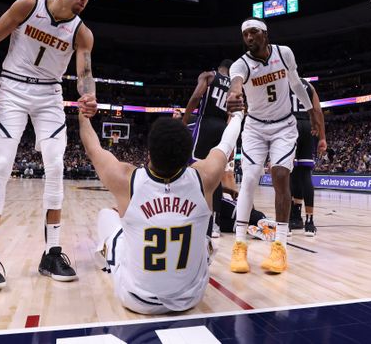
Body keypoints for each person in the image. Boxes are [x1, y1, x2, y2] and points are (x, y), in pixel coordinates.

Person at [0, 0, 98, 291]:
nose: (84, 0)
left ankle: (52, 252)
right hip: (12, 88)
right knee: (1, 166)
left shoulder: (82, 33)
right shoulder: (29, 6)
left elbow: (84, 73)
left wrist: (89, 95)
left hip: (50, 95)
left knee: (55, 167)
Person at [80, 112, 243, 314]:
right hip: (191, 297)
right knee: (205, 239)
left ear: (149, 152)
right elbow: (226, 144)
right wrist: (237, 115)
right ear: (188, 155)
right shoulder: (205, 177)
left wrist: (83, 115)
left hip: (137, 299)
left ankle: (108, 255)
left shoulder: (126, 179)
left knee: (108, 215)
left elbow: (92, 148)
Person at [226, 18, 319, 274]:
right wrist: (234, 93)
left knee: (280, 175)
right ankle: (239, 245)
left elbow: (296, 84)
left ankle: (280, 246)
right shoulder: (241, 64)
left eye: (253, 32)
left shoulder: (284, 53)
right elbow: (235, 81)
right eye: (245, 34)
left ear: (265, 34)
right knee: (249, 179)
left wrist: (311, 111)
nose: (249, 38)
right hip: (255, 127)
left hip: (283, 126)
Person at [181, 59, 233, 238]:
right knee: (216, 175)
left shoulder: (209, 75)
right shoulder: (234, 86)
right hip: (223, 128)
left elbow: (196, 97)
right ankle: (215, 224)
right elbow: (232, 115)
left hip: (205, 124)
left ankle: (197, 217)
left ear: (219, 68)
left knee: (196, 168)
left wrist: (184, 120)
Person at [289, 80, 327, 237]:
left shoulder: (283, 82)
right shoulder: (309, 86)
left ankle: (289, 220)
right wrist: (322, 138)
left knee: (290, 173)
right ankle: (308, 222)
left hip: (289, 126)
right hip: (307, 127)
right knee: (304, 174)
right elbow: (317, 111)